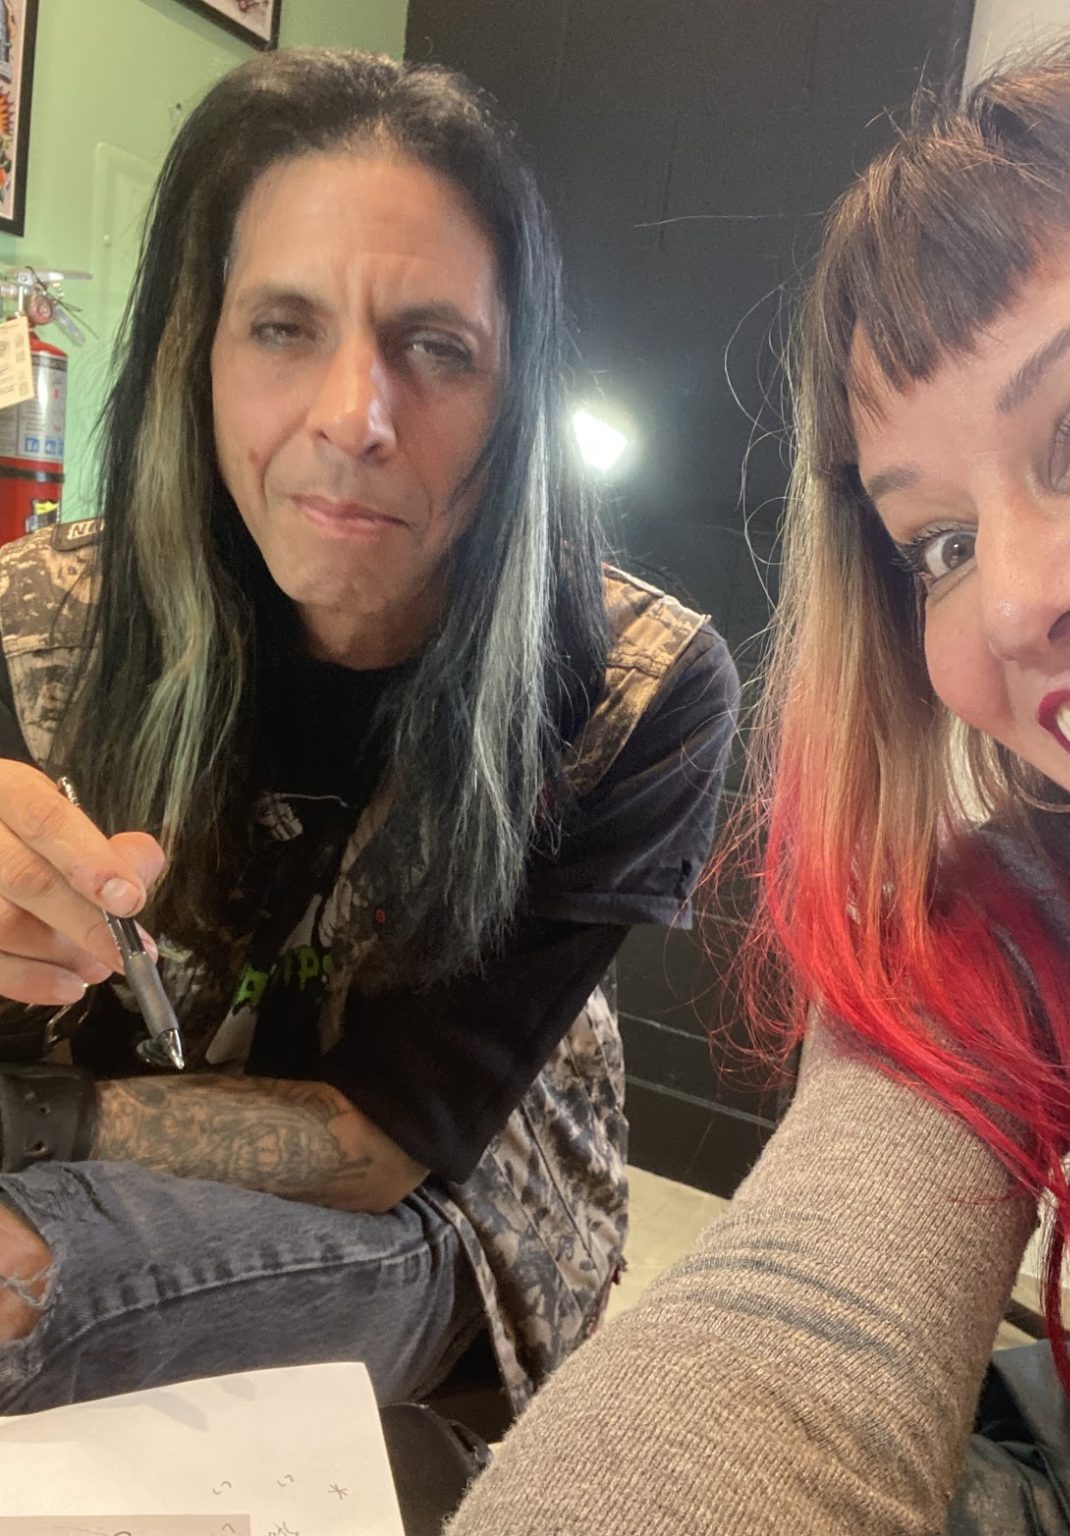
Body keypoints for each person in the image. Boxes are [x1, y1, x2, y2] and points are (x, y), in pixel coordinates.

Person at [446, 33, 1070, 1535]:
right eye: (940, 545)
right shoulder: (1028, 920)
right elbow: (794, 1330)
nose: (1015, 602)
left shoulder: (650, 677)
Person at [0, 50, 737, 1416]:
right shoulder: (39, 612)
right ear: (196, 355)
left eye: (437, 347)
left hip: (441, 1214)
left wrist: (30, 1122)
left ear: (517, 395)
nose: (354, 417)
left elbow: (389, 1141)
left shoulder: (633, 688)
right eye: (282, 326)